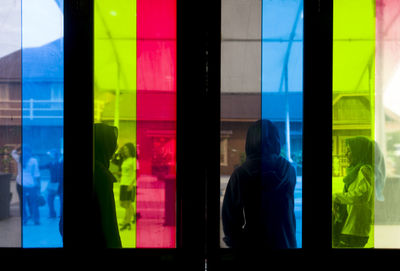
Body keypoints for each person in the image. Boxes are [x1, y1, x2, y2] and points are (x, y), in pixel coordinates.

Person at [222, 119, 297, 248]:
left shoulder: (240, 175)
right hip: (286, 243)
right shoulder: (289, 171)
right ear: (276, 140)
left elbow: (230, 222)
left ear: (250, 142)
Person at [332, 136, 376, 248]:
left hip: (355, 230)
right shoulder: (355, 171)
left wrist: (336, 197)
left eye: (349, 151)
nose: (346, 154)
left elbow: (362, 196)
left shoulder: (365, 169)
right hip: (349, 227)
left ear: (359, 152)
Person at [92, 123, 121, 248]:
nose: (115, 147)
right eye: (113, 142)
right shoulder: (101, 175)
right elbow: (109, 222)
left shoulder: (97, 167)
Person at [40, 149, 62, 218]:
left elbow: (42, 167)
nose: (51, 156)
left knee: (61, 201)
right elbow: (41, 167)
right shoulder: (51, 163)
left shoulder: (61, 163)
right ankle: (52, 214)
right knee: (50, 199)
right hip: (53, 184)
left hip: (61, 184)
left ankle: (60, 215)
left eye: (52, 154)